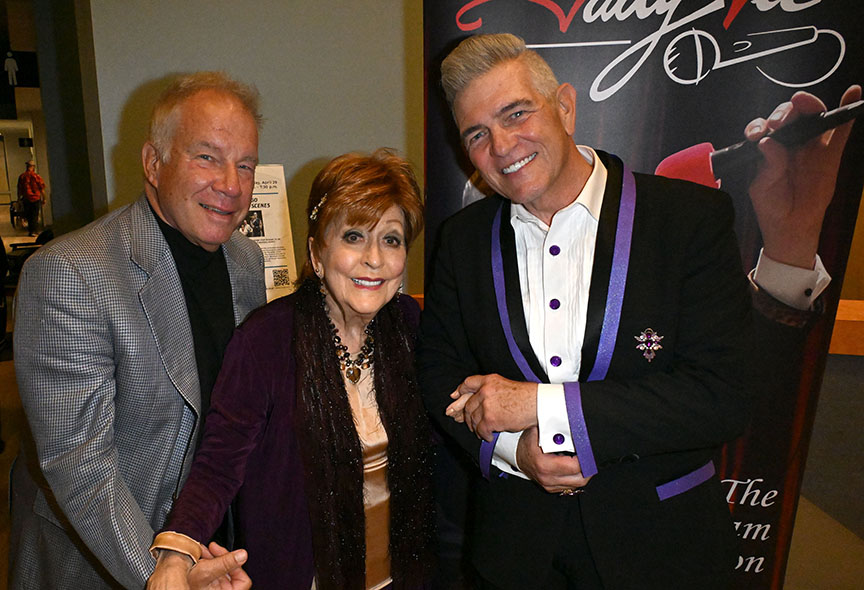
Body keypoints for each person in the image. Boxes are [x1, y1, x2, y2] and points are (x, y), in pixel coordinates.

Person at [417, 33, 857, 590]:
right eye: (477, 134)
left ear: (565, 107)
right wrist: (513, 450)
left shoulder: (689, 218)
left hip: (663, 552)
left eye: (516, 113)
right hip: (514, 557)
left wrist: (541, 405)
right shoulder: (461, 239)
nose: (502, 146)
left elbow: (721, 397)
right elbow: (439, 375)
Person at [10, 71, 265, 590]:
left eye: (245, 165)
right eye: (207, 157)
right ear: (153, 163)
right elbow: (78, 461)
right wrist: (164, 573)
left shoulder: (245, 260)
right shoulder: (71, 272)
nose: (231, 185)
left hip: (209, 540)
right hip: (103, 559)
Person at [146, 149, 435, 590]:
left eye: (391, 239)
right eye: (354, 236)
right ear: (316, 253)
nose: (374, 258)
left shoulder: (411, 328)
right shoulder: (266, 340)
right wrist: (176, 553)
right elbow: (219, 462)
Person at [16, 160, 45, 236]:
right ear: (33, 167)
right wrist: (44, 198)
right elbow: (42, 188)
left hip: (26, 199)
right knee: (35, 215)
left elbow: (19, 189)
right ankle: (34, 231)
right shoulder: (37, 176)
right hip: (36, 198)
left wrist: (18, 199)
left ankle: (31, 231)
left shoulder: (22, 176)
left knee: (29, 215)